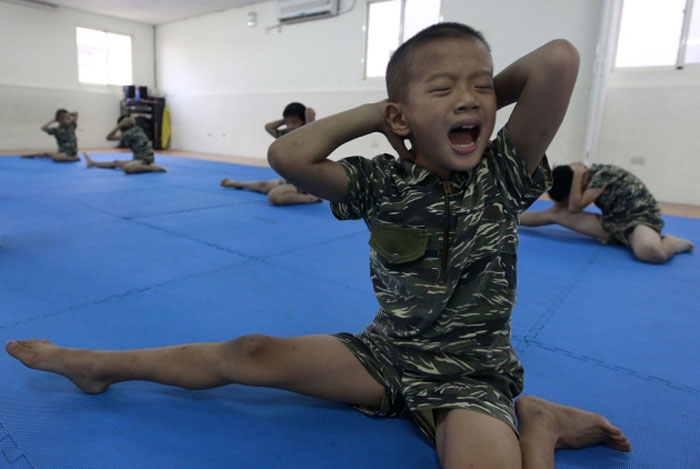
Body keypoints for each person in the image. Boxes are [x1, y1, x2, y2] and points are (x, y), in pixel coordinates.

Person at [6, 23, 630, 468]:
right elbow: (288, 155)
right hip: (386, 355)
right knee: (248, 351)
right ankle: (94, 364)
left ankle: (536, 425)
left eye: (482, 88)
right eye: (442, 89)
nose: (467, 99)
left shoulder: (506, 171)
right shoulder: (381, 181)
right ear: (401, 116)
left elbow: (557, 59)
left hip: (471, 379)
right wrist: (386, 112)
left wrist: (461, 91)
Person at [520, 162, 694, 263]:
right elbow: (563, 209)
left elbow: (575, 207)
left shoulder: (602, 174)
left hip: (640, 220)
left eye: (566, 197)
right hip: (614, 223)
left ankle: (669, 242)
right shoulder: (588, 179)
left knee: (649, 251)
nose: (567, 203)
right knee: (557, 213)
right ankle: (512, 218)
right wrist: (509, 218)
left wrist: (578, 173)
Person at [220, 102, 322, 205]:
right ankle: (238, 184)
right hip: (290, 181)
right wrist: (286, 119)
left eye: (294, 122)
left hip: (306, 184)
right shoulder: (286, 136)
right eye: (287, 123)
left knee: (274, 197)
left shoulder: (308, 136)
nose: (290, 126)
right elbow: (269, 127)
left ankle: (312, 198)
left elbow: (310, 112)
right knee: (262, 185)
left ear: (304, 122)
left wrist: (302, 116)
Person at [83, 115, 166, 174]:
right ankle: (93, 163)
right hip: (139, 158)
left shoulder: (130, 132)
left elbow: (108, 137)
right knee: (116, 162)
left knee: (127, 168)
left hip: (144, 160)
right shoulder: (135, 129)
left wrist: (119, 125)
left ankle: (152, 168)